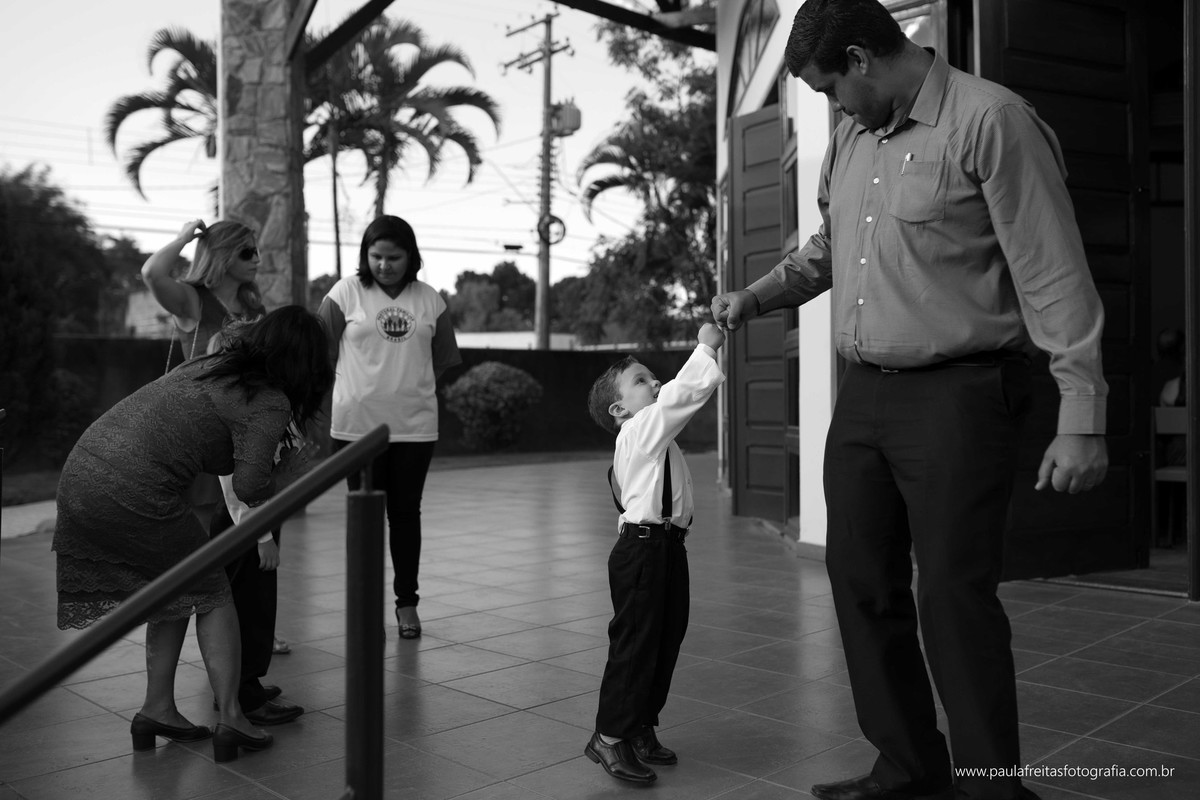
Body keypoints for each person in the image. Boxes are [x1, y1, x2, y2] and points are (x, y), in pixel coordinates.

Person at [711, 2, 1108, 799]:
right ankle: (907, 765)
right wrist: (753, 297)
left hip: (961, 394)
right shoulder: (854, 136)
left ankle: (992, 787)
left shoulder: (991, 121)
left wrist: (1083, 415)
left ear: (860, 57)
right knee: (860, 583)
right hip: (864, 396)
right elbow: (829, 248)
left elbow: (1052, 271)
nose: (832, 108)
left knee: (953, 597)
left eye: (830, 89)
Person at [52, 306, 333, 763]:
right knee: (213, 592)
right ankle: (232, 718)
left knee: (176, 590)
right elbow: (250, 485)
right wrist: (295, 472)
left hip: (82, 471)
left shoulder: (209, 366)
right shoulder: (267, 399)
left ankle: (157, 709)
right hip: (134, 486)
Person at [141, 219, 302, 726]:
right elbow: (152, 271)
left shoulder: (254, 311)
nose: (258, 257)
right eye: (249, 250)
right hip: (205, 463)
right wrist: (189, 237)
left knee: (246, 579)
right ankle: (223, 700)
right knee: (202, 582)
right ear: (225, 254)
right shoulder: (194, 302)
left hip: (245, 453)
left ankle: (240, 690)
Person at [582, 323, 726, 784]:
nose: (655, 384)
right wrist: (706, 347)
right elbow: (679, 398)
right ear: (619, 408)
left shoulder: (656, 438)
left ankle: (639, 725)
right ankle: (608, 736)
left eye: (652, 377)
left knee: (665, 638)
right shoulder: (637, 431)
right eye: (641, 380)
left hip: (666, 548)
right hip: (641, 551)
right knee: (636, 643)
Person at [317, 215, 462, 639]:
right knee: (364, 520)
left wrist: (408, 387)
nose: (384, 265)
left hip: (414, 429)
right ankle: (365, 606)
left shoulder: (429, 300)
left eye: (394, 257)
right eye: (376, 256)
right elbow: (320, 351)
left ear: (411, 257)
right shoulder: (345, 292)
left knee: (404, 516)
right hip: (354, 428)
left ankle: (407, 605)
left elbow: (443, 359)